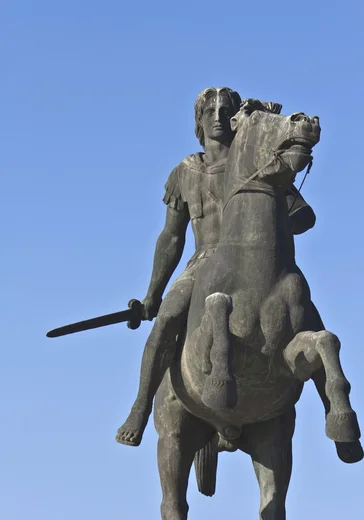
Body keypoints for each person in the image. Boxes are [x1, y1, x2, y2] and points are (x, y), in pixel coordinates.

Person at [116, 87, 317, 446]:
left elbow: (302, 217)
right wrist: (153, 294)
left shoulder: (260, 161)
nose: (219, 116)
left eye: (227, 110)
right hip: (204, 262)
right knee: (168, 318)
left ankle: (335, 399)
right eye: (211, 111)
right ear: (200, 120)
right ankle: (140, 407)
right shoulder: (186, 172)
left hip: (256, 262)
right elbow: (171, 237)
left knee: (309, 315)